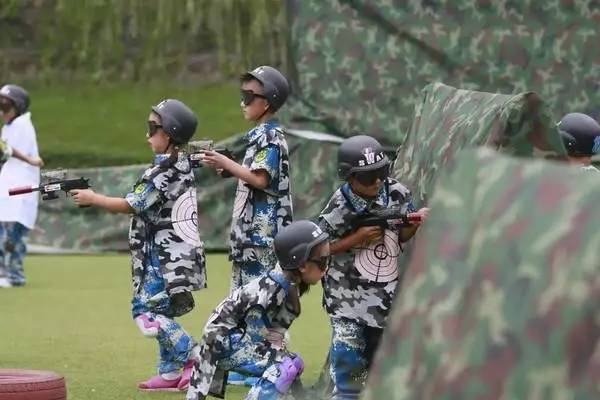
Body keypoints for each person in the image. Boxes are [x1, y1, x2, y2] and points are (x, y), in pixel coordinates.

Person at [70, 99, 206, 391]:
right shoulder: (174, 165)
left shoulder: (165, 171)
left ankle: (194, 357)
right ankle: (170, 373)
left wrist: (93, 199)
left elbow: (133, 204)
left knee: (146, 314)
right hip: (168, 256)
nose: (147, 135)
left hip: (163, 259)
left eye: (152, 128)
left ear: (168, 133)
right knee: (161, 312)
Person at [318, 135, 429, 399]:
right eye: (368, 177)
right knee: (348, 361)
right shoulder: (339, 204)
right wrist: (355, 240)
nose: (378, 181)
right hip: (346, 298)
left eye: (381, 173)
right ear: (349, 177)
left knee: (378, 361)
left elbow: (400, 237)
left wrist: (412, 225)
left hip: (383, 296)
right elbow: (319, 249)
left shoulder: (397, 194)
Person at [186, 219, 330, 400]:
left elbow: (276, 336)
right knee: (285, 365)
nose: (327, 267)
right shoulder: (271, 292)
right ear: (301, 264)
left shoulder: (288, 285)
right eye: (323, 261)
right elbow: (261, 340)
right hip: (224, 341)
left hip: (235, 338)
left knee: (290, 362)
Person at [200, 65, 293, 293]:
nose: (243, 103)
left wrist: (226, 163)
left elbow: (260, 180)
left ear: (267, 102)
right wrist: (228, 167)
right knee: (241, 307)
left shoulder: (270, 137)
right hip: (248, 237)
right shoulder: (260, 136)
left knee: (257, 307)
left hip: (261, 239)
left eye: (248, 97)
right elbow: (256, 178)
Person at [0, 84, 44, 288]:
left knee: (14, 236)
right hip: (9, 188)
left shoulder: (22, 126)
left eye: (5, 107)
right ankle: (4, 274)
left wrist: (28, 159)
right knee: (3, 234)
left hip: (20, 190)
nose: (2, 112)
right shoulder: (9, 127)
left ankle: (15, 277)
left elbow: (6, 148)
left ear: (18, 107)